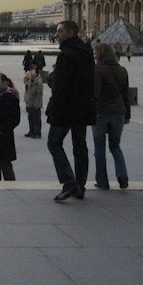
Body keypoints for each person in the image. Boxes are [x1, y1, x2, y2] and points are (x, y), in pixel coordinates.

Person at [47, 20, 95, 202]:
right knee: (80, 146)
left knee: (54, 143)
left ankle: (69, 182)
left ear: (70, 32)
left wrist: (52, 77)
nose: (56, 34)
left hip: (66, 108)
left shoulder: (66, 55)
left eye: (59, 31)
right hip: (83, 108)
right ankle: (80, 186)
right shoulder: (87, 52)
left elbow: (60, 86)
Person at [92, 43, 130, 190]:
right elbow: (125, 95)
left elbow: (95, 93)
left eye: (96, 53)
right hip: (119, 112)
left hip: (101, 113)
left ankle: (102, 182)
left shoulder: (98, 70)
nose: (94, 56)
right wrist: (127, 115)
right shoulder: (122, 70)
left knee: (99, 148)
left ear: (100, 55)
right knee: (115, 146)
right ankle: (122, 176)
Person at [23, 65, 43, 139]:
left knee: (36, 119)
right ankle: (31, 131)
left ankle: (37, 132)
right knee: (30, 118)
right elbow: (26, 83)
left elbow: (39, 94)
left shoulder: (38, 82)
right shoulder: (31, 81)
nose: (30, 76)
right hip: (30, 103)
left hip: (35, 104)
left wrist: (37, 104)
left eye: (32, 75)